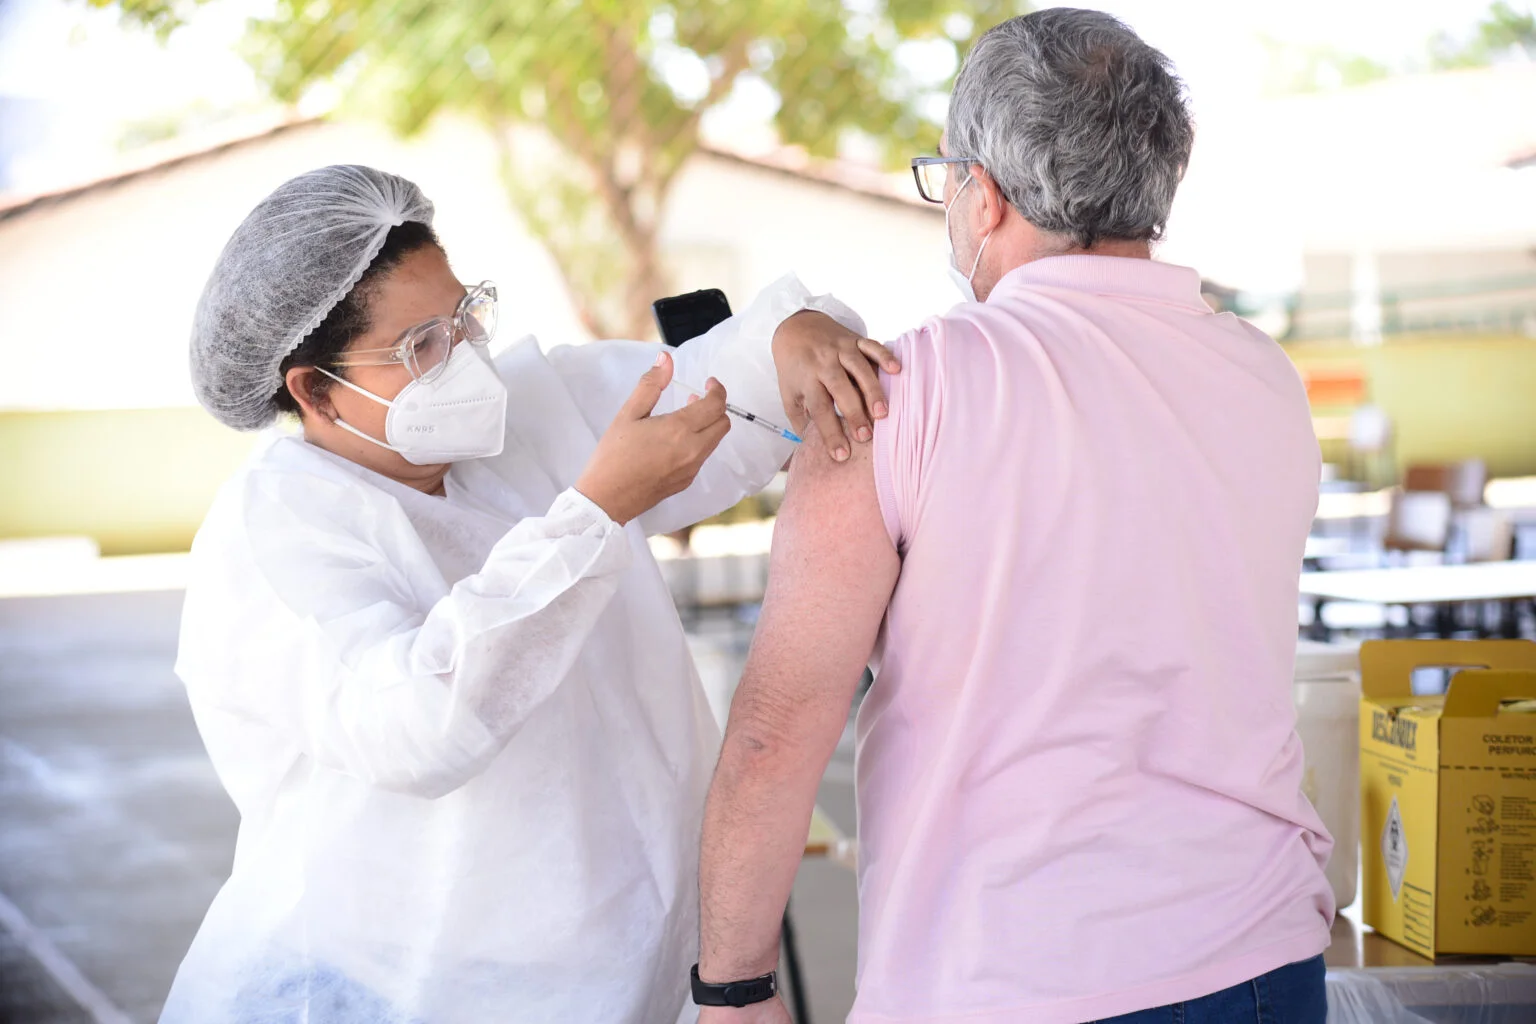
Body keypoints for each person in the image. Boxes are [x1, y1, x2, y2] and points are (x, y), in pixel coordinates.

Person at [696, 11, 1333, 1024]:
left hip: (1009, 980)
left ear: (981, 195)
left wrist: (732, 984)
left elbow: (781, 726)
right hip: (1258, 960)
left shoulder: (900, 395)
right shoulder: (1264, 376)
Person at [163, 164, 899, 1024]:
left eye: (464, 317)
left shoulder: (525, 418)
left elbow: (718, 390)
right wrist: (593, 514)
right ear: (314, 390)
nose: (465, 357)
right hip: (384, 992)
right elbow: (421, 726)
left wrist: (790, 334)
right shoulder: (280, 528)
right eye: (421, 348)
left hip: (607, 986)